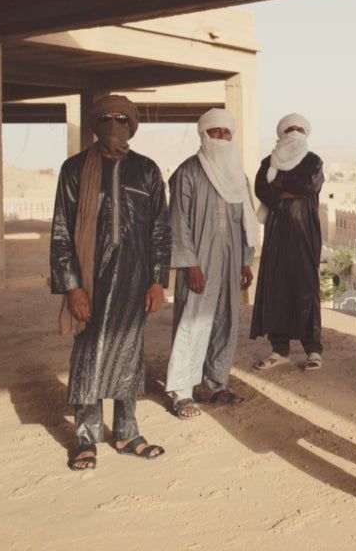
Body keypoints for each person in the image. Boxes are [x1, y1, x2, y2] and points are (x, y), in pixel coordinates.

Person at [51, 94, 171, 470]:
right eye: (106, 118)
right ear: (95, 124)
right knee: (89, 354)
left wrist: (157, 281)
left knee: (129, 355)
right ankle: (85, 438)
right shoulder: (74, 169)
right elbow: (61, 232)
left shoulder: (147, 170)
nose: (113, 124)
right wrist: (73, 286)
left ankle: (126, 432)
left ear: (131, 125)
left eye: (121, 118)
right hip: (91, 280)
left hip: (135, 280)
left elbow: (160, 230)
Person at [165, 108, 256, 419]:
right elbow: (178, 222)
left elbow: (246, 221)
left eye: (226, 132)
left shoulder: (238, 176)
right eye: (215, 131)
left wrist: (245, 261)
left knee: (225, 321)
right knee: (192, 321)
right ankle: (181, 392)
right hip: (199, 262)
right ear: (204, 134)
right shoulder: (188, 172)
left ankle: (215, 385)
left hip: (231, 260)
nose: (221, 137)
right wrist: (189, 264)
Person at [250, 113, 325, 371]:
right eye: (289, 128)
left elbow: (309, 184)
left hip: (305, 232)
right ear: (281, 133)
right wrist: (290, 189)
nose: (294, 133)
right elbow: (262, 188)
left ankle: (313, 349)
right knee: (276, 286)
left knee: (306, 288)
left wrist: (279, 187)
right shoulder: (268, 162)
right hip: (277, 232)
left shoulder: (313, 160)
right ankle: (279, 349)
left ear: (306, 133)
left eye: (299, 129)